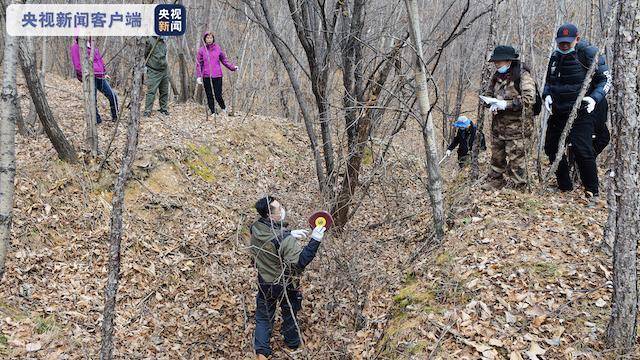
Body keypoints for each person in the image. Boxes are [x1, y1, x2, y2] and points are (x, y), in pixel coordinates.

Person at [250, 196, 325, 359]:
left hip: (264, 281)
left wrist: (288, 232)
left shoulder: (255, 227)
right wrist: (315, 239)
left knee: (263, 316)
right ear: (270, 215)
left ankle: (261, 352)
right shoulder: (285, 240)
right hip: (285, 283)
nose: (282, 209)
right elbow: (300, 262)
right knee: (290, 312)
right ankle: (292, 342)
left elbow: (271, 238)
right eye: (279, 208)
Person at [543, 23, 611, 201]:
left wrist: (594, 98)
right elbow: (549, 82)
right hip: (558, 110)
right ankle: (564, 186)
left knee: (583, 149)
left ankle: (592, 192)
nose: (564, 46)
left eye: (568, 43)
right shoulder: (555, 57)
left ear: (577, 39)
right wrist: (546, 96)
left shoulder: (589, 53)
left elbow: (605, 80)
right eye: (561, 43)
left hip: (582, 110)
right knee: (551, 147)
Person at [482, 45, 536, 190]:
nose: (496, 64)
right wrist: (491, 104)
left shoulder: (523, 76)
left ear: (509, 61)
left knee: (516, 161)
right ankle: (496, 181)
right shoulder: (496, 76)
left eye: (499, 61)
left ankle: (518, 189)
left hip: (518, 129)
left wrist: (505, 104)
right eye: (495, 62)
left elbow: (529, 100)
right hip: (499, 127)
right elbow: (487, 95)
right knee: (497, 157)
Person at [70, 37, 118, 124]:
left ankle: (115, 117)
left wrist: (104, 72)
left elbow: (100, 60)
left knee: (112, 95)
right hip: (90, 76)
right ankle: (96, 120)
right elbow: (77, 66)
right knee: (93, 99)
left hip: (100, 76)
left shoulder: (93, 46)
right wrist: (86, 74)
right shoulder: (75, 47)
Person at [195, 32, 238, 115]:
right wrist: (199, 76)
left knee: (218, 94)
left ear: (213, 39)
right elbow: (199, 64)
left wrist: (232, 67)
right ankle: (213, 111)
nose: (209, 40)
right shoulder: (202, 50)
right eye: (207, 38)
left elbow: (224, 60)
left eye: (211, 38)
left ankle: (223, 108)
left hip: (217, 75)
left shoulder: (218, 48)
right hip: (206, 76)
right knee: (209, 95)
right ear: (205, 39)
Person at [143, 36, 170, 117]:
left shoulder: (163, 41)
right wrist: (148, 65)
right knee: (151, 91)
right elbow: (145, 54)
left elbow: (164, 55)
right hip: (153, 70)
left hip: (164, 70)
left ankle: (163, 109)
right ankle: (147, 110)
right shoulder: (150, 40)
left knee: (164, 91)